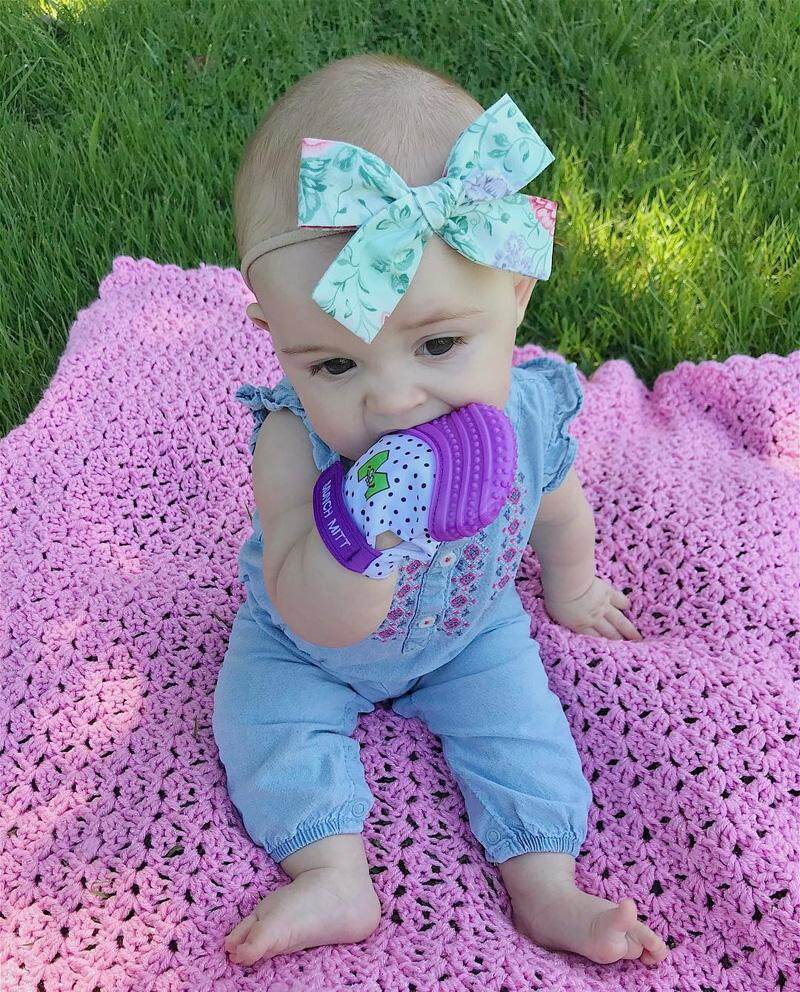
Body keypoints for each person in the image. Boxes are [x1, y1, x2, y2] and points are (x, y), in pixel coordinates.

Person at [213, 51, 670, 969]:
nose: (393, 402)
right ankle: (332, 872)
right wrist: (367, 529)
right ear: (277, 340)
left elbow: (557, 510)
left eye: (439, 345)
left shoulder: (528, 418)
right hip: (306, 646)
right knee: (260, 719)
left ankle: (548, 885)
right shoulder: (291, 444)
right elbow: (319, 614)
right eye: (334, 363)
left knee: (525, 729)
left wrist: (574, 588)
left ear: (516, 294)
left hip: (470, 631)